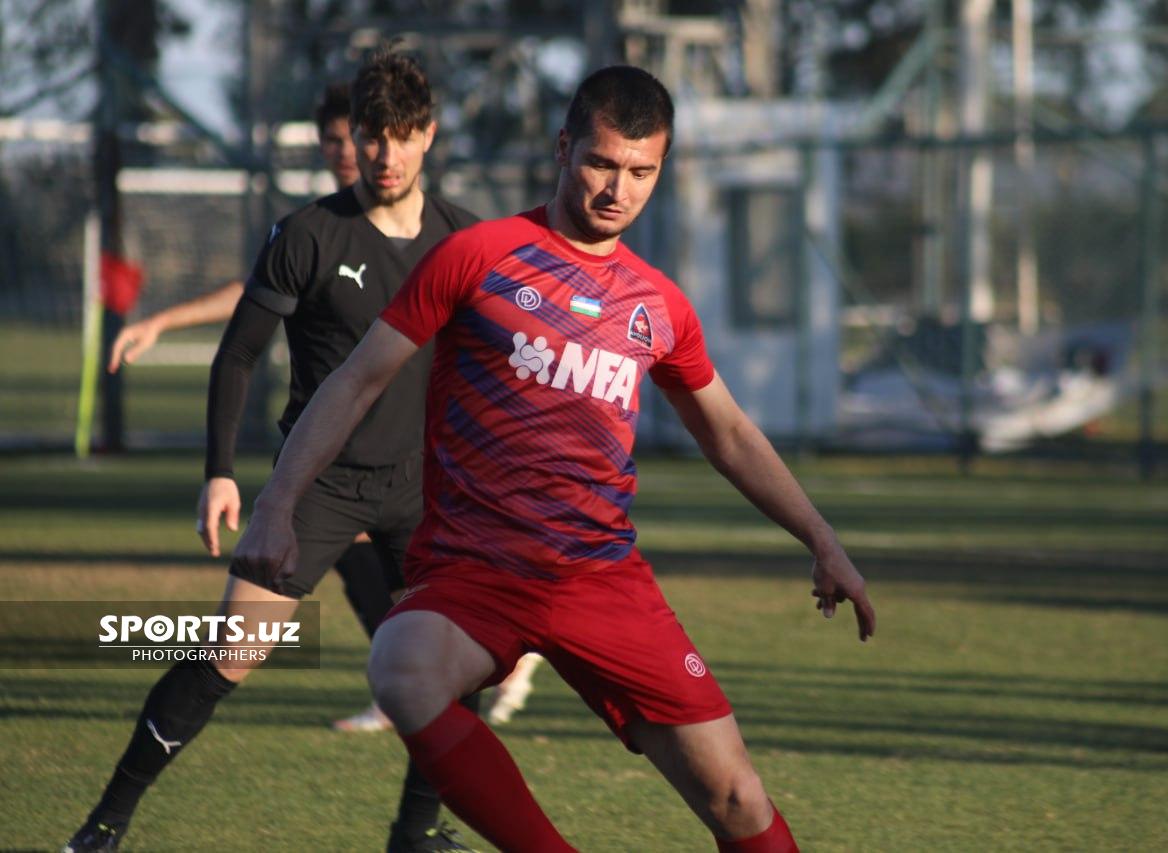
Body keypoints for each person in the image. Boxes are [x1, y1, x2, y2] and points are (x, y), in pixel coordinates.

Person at [233, 65, 876, 851]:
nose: (619, 188)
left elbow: (731, 434)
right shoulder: (477, 255)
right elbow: (357, 379)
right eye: (603, 162)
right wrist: (276, 503)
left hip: (601, 578)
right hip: (479, 568)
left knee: (738, 799)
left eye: (642, 171)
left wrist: (822, 537)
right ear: (565, 147)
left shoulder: (660, 305)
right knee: (400, 665)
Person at [65, 52, 482, 853]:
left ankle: (416, 834)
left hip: (422, 489)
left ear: (428, 136)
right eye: (370, 136)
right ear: (349, 137)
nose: (385, 156)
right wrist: (220, 472)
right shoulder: (309, 235)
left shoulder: (463, 238)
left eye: (401, 136)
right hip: (316, 486)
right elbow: (237, 355)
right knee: (229, 654)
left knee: (450, 667)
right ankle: (105, 823)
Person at [107, 83, 393, 734]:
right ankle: (409, 680)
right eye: (334, 139)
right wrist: (164, 321)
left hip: (397, 443)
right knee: (349, 552)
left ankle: (449, 672)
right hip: (333, 445)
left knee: (379, 557)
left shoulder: (420, 231)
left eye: (360, 136)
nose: (347, 150)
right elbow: (252, 296)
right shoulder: (315, 230)